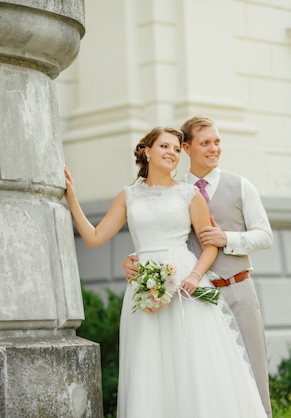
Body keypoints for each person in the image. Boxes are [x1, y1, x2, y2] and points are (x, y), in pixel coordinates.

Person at [64, 126, 266, 417]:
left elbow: (209, 245)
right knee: (151, 365)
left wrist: (195, 276)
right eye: (164, 147)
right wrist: (72, 198)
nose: (171, 153)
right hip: (143, 287)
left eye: (175, 148)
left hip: (186, 285)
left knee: (192, 362)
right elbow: (95, 237)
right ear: (147, 151)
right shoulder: (128, 195)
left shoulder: (189, 194)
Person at [123, 115, 273, 417]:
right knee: (199, 379)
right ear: (187, 148)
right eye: (205, 143)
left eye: (217, 142)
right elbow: (158, 230)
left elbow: (265, 235)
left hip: (237, 288)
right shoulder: (175, 189)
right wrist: (132, 258)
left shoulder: (241, 186)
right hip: (193, 298)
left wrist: (226, 237)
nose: (214, 148)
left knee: (251, 376)